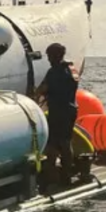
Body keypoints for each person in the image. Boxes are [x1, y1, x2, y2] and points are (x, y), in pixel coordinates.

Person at [34, 43, 80, 185]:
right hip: (71, 109)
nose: (48, 59)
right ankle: (67, 173)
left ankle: (51, 174)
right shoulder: (72, 69)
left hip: (58, 111)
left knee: (53, 142)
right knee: (66, 141)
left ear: (54, 56)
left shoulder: (54, 71)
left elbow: (41, 89)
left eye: (49, 56)